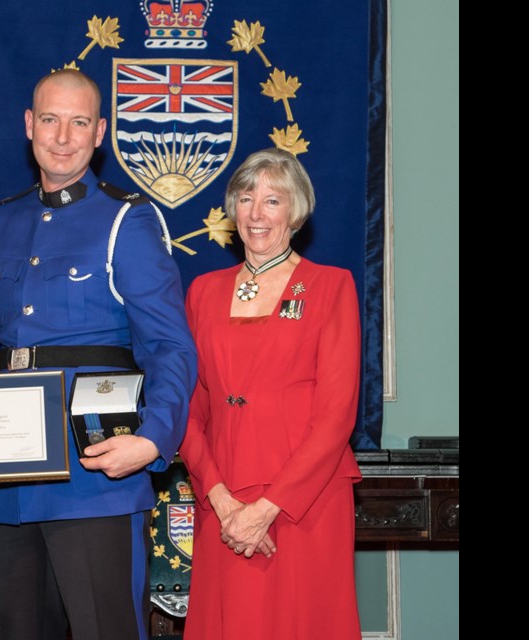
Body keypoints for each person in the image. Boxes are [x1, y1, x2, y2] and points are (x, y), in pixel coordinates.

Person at [0, 69, 197, 640]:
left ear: (100, 132)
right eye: (51, 120)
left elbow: (169, 346)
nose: (63, 136)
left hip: (96, 474)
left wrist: (154, 439)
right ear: (29, 125)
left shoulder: (125, 220)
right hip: (10, 475)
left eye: (79, 122)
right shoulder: (0, 221)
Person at [178, 148, 362, 639]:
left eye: (272, 200)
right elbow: (188, 412)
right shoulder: (202, 291)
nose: (256, 213)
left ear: (296, 212)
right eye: (245, 198)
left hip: (303, 505)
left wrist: (266, 509)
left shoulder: (330, 287)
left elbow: (337, 415)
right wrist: (221, 499)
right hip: (224, 503)